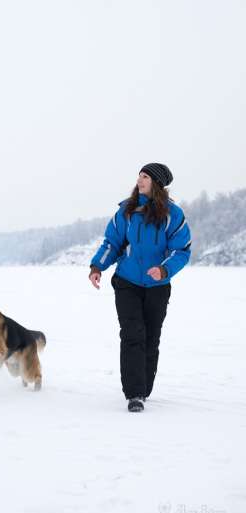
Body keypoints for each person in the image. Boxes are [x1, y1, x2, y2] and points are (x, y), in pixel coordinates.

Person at [89, 163, 192, 413]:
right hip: (127, 282)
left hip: (157, 286)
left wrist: (164, 270)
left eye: (145, 176)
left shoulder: (173, 215)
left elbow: (182, 250)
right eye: (139, 175)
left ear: (156, 183)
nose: (139, 180)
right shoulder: (126, 211)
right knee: (133, 333)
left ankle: (144, 389)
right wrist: (97, 267)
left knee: (151, 337)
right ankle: (134, 394)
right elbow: (112, 242)